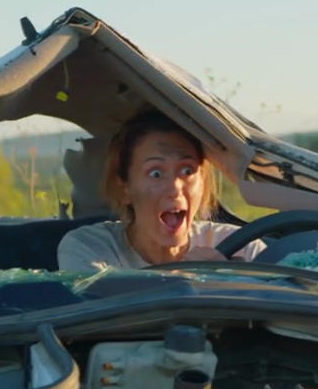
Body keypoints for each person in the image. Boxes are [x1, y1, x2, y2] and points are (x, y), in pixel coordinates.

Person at [57, 110, 264, 270]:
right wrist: (203, 284)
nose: (175, 187)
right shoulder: (90, 249)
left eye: (186, 170)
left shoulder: (243, 248)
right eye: (155, 173)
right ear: (125, 188)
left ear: (203, 182)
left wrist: (232, 279)